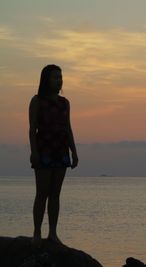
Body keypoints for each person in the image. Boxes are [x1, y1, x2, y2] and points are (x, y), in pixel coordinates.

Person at [29, 64, 78, 246]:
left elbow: (68, 128)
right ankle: (36, 232)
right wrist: (34, 152)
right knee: (42, 193)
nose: (59, 81)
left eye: (60, 77)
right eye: (55, 77)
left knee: (55, 194)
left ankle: (53, 233)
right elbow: (32, 128)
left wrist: (74, 151)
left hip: (61, 150)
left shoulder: (65, 103)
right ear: (46, 80)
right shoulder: (37, 101)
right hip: (43, 150)